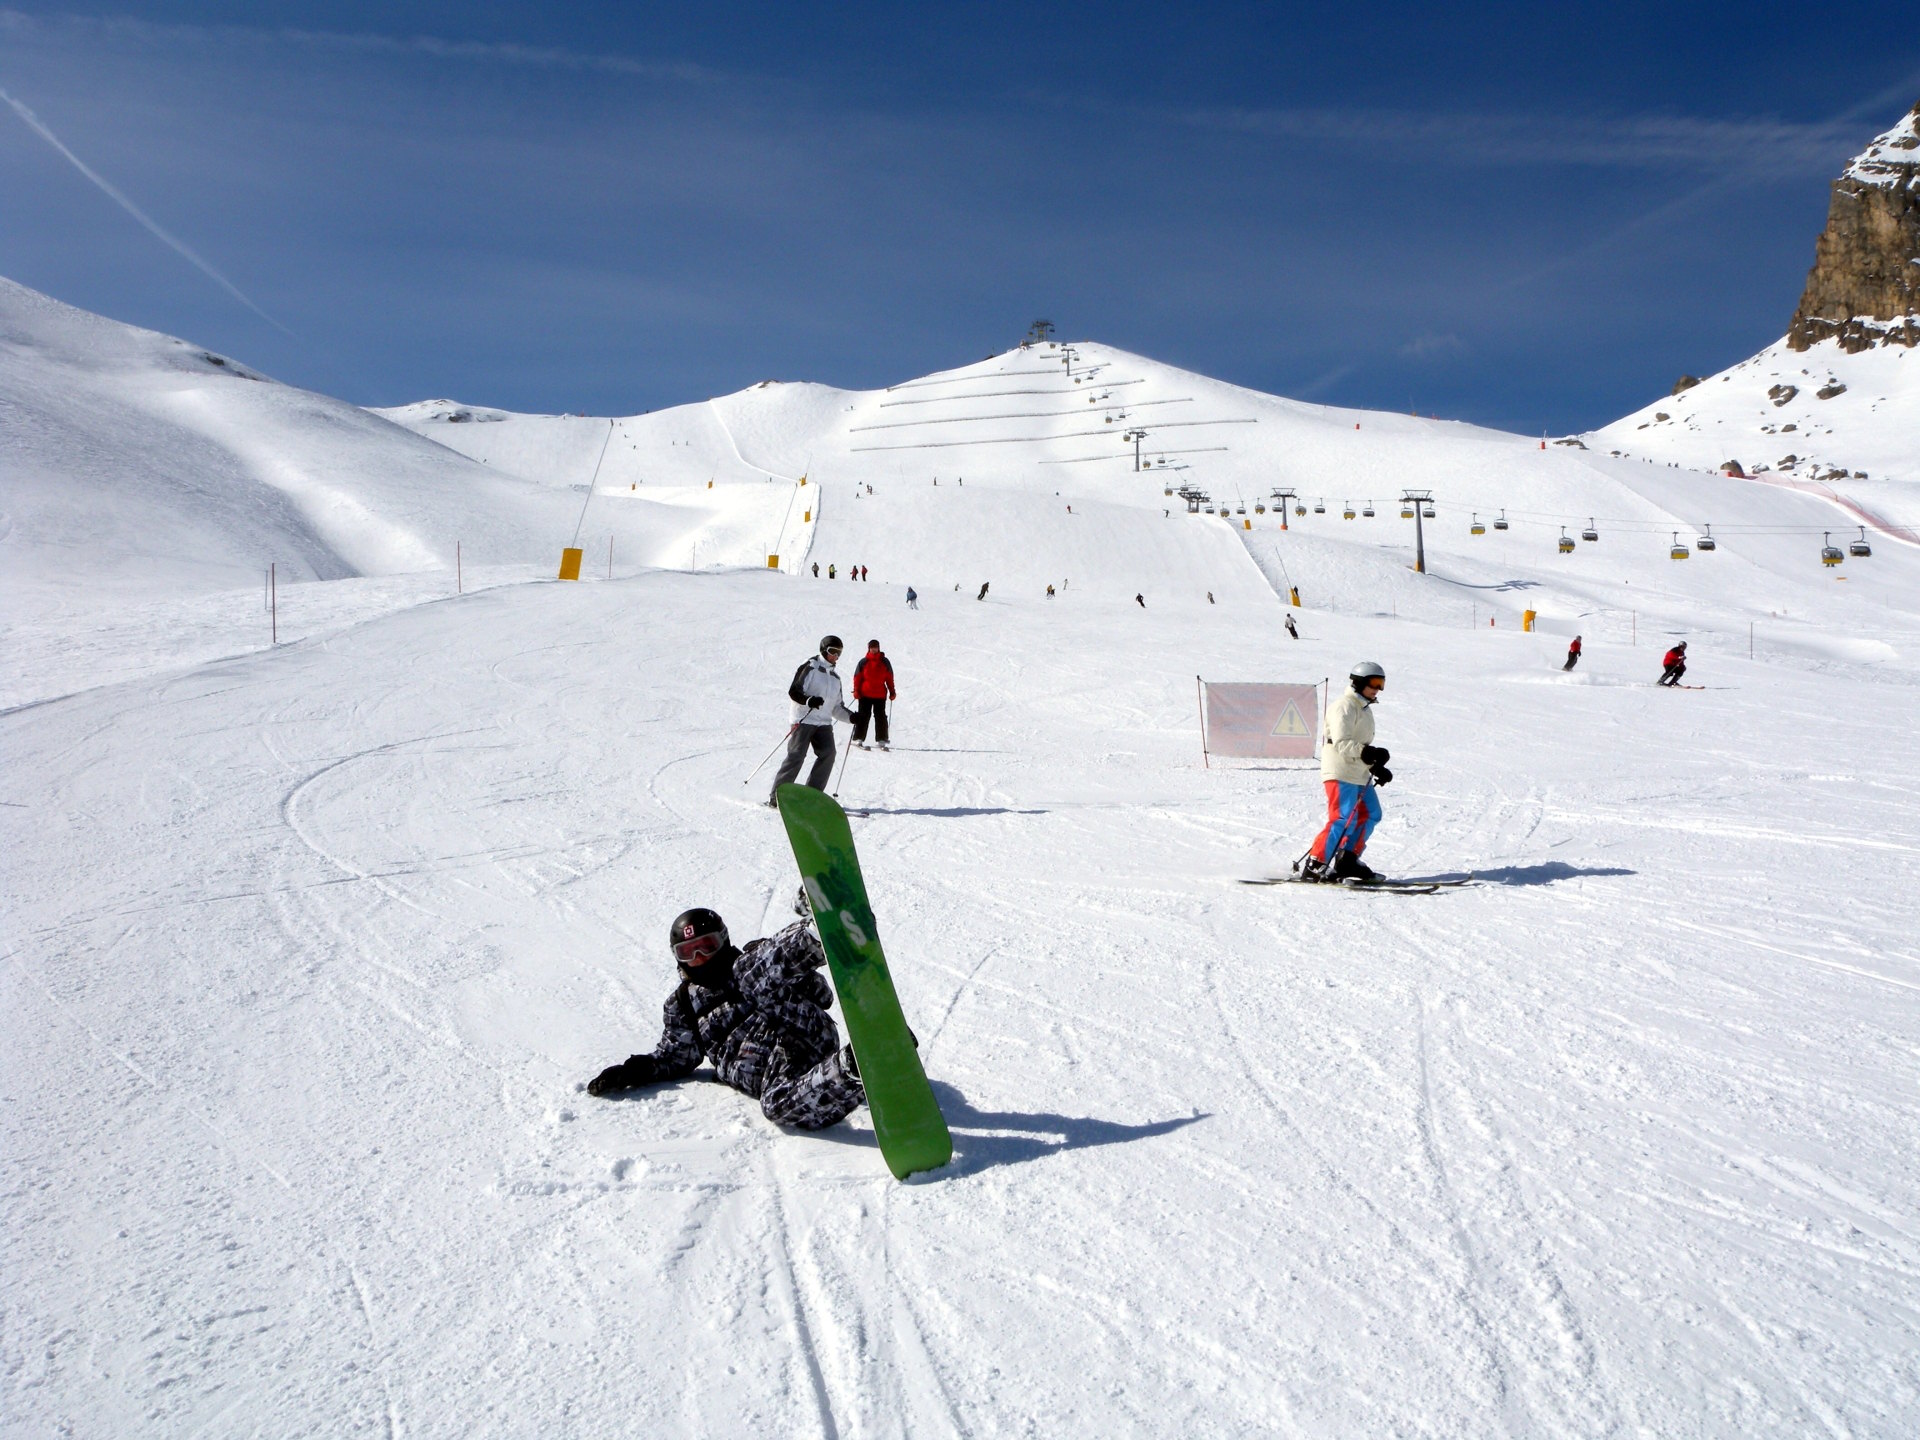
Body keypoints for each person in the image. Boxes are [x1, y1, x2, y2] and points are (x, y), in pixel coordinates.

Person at [584, 908, 864, 1130]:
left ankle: (819, 934)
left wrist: (787, 972)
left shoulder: (752, 965)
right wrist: (633, 1071)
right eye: (688, 952)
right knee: (773, 1106)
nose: (699, 958)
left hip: (801, 1032)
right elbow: (676, 1056)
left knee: (746, 974)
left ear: (723, 941)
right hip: (780, 1073)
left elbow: (823, 996)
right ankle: (853, 1069)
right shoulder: (682, 1004)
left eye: (706, 946)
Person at [1298, 661, 1393, 883]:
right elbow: (1341, 743)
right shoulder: (1344, 706)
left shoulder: (1363, 709)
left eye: (1381, 684)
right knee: (1342, 817)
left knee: (1371, 814)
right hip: (1340, 771)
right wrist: (1369, 753)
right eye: (1374, 683)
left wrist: (1375, 766)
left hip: (1358, 772)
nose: (1377, 689)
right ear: (1359, 683)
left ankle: (1347, 859)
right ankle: (1316, 863)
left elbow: (1359, 746)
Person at [767, 635, 855, 806]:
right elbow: (794, 691)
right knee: (797, 755)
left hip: (823, 723)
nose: (836, 656)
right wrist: (809, 701)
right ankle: (777, 797)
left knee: (828, 754)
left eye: (839, 653)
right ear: (823, 650)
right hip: (804, 719)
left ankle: (812, 796)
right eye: (833, 651)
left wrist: (852, 717)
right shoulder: (810, 667)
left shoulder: (835, 678)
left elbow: (836, 708)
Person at [851, 640, 896, 750]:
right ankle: (858, 738)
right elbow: (857, 677)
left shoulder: (885, 662)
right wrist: (856, 690)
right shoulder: (863, 662)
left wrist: (892, 691)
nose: (874, 649)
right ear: (869, 648)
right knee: (863, 716)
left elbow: (889, 677)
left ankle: (882, 739)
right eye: (872, 647)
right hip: (865, 694)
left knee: (881, 717)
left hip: (880, 695)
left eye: (875, 647)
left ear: (878, 648)